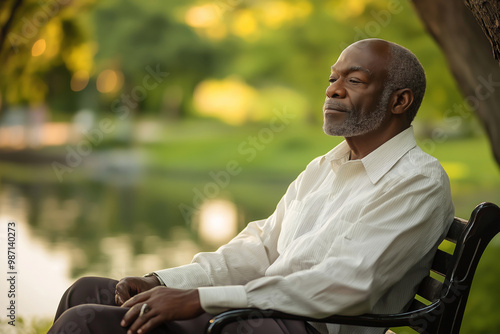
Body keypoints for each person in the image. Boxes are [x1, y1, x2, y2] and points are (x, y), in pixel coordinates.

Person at [48, 38, 454, 334]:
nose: (333, 89)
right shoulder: (324, 167)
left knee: (84, 323)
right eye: (332, 79)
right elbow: (259, 248)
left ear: (400, 102)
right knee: (84, 293)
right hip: (260, 313)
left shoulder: (416, 181)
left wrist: (198, 300)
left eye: (355, 80)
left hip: (303, 329)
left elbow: (346, 286)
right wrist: (167, 282)